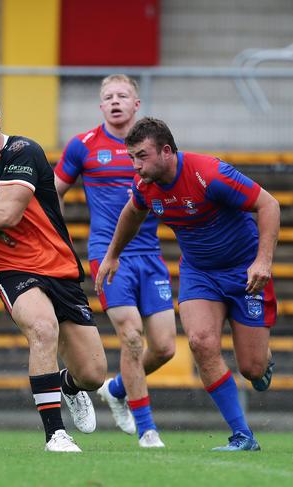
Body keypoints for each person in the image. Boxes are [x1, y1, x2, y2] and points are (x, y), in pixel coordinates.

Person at [0, 91, 107, 453]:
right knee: (42, 328)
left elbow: (6, 213)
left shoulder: (23, 151)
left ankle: (67, 386)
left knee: (93, 375)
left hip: (60, 267)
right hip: (14, 270)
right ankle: (55, 434)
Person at [95, 117, 279, 452]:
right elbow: (131, 214)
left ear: (166, 151)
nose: (136, 166)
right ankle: (242, 435)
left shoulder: (209, 174)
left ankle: (262, 358)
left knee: (252, 368)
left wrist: (263, 261)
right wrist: (112, 256)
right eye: (132, 157)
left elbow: (269, 204)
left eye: (142, 156)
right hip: (199, 274)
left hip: (244, 272)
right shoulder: (146, 186)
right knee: (200, 342)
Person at [54, 75, 176, 448]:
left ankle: (118, 389)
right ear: (100, 105)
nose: (115, 101)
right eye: (108, 97)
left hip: (150, 255)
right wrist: (62, 240)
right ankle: (147, 429)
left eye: (123, 95)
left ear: (137, 104)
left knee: (166, 347)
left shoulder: (151, 146)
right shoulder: (84, 146)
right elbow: (53, 192)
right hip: (108, 256)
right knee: (132, 335)